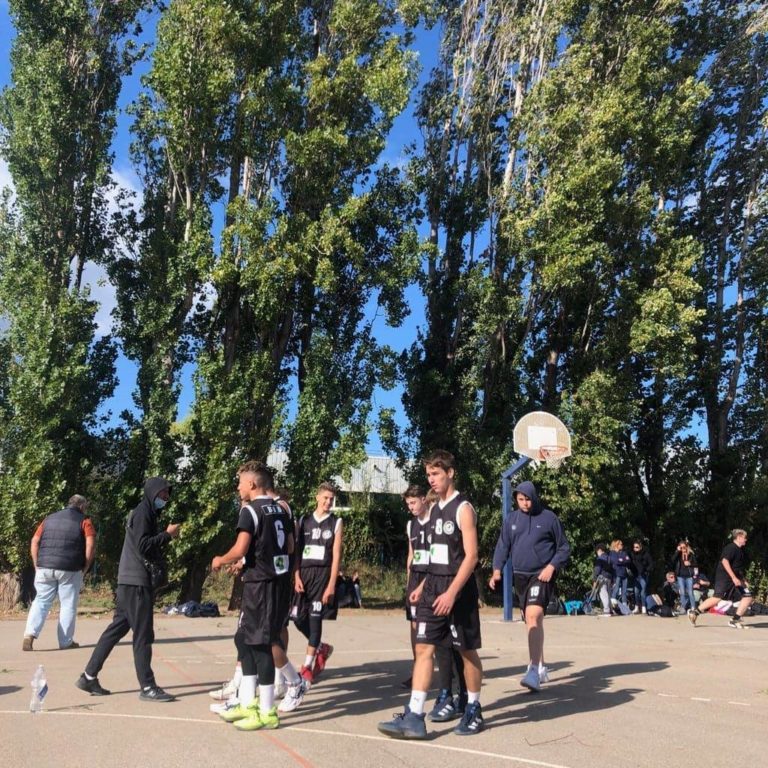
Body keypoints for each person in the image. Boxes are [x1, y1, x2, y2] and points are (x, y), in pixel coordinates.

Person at [379, 450, 484, 739]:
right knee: (424, 648)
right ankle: (414, 715)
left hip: (457, 591)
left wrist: (451, 592)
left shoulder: (463, 509)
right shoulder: (434, 510)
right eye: (428, 474)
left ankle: (473, 708)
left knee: (466, 651)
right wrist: (422, 586)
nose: (431, 479)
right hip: (432, 588)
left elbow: (472, 556)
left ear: (450, 473)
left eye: (436, 473)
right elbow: (435, 557)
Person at [210, 461, 305, 730]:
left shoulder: (250, 511)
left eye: (240, 482)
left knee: (261, 645)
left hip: (261, 585)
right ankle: (246, 702)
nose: (238, 487)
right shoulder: (281, 509)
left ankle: (266, 711)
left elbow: (241, 548)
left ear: (252, 484)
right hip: (276, 583)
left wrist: (221, 559)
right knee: (246, 640)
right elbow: (288, 546)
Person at [76, 478, 180, 701]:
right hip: (136, 582)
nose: (165, 498)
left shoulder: (145, 513)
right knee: (143, 634)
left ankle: (88, 676)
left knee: (116, 630)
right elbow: (143, 545)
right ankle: (147, 686)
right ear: (152, 493)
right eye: (162, 494)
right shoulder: (143, 513)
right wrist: (167, 535)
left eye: (167, 494)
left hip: (128, 581)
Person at [490, 481, 570, 690]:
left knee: (533, 616)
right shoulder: (511, 520)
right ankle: (541, 666)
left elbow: (564, 547)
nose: (525, 503)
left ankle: (533, 671)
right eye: (521, 499)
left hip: (541, 575)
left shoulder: (549, 518)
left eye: (528, 499)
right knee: (531, 621)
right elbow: (503, 546)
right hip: (520, 576)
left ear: (534, 498)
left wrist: (552, 567)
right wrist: (497, 570)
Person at [22, 495, 96, 651]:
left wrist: (36, 563)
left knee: (41, 601)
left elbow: (35, 541)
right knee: (68, 604)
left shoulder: (49, 519)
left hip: (44, 566)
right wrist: (86, 566)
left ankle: (29, 635)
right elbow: (90, 545)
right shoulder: (85, 521)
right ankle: (65, 642)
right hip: (70, 568)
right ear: (82, 506)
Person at [291, 482, 343, 685]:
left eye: (331, 499)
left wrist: (331, 585)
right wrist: (296, 575)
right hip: (304, 575)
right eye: (325, 498)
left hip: (322, 576)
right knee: (297, 618)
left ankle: (307, 667)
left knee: (315, 620)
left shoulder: (336, 522)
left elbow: (336, 556)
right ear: (317, 497)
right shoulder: (303, 520)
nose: (328, 502)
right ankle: (322, 647)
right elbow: (296, 551)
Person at [689, 529, 754, 629]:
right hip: (724, 578)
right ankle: (695, 612)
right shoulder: (731, 548)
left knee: (748, 596)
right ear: (739, 537)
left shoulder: (740, 550)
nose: (746, 539)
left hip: (735, 579)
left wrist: (743, 580)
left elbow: (737, 568)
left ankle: (735, 620)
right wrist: (733, 577)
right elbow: (724, 561)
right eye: (745, 537)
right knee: (717, 597)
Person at [670, 540, 698, 612]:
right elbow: (672, 560)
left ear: (687, 546)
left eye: (684, 547)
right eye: (681, 547)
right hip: (680, 576)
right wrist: (677, 551)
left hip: (689, 576)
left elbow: (696, 564)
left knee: (690, 592)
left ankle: (693, 607)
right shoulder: (678, 555)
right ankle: (683, 608)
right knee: (682, 593)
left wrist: (690, 563)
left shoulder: (691, 555)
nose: (683, 549)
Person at [629, 539, 653, 614]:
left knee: (643, 592)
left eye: (637, 547)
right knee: (636, 592)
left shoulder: (646, 554)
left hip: (643, 575)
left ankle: (644, 607)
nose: (635, 549)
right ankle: (637, 607)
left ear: (640, 547)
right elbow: (630, 564)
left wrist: (646, 570)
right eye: (634, 547)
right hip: (636, 575)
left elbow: (651, 564)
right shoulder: (632, 554)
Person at [591, 543, 614, 616]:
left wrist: (594, 580)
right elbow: (613, 569)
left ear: (600, 550)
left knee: (603, 594)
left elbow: (597, 570)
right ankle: (610, 610)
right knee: (608, 594)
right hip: (609, 578)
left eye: (597, 552)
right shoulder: (609, 558)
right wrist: (613, 580)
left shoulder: (600, 559)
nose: (597, 553)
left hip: (602, 578)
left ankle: (606, 611)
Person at [609, 540, 631, 608]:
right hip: (617, 573)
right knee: (616, 588)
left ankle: (624, 604)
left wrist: (621, 560)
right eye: (620, 544)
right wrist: (623, 560)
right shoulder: (612, 553)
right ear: (616, 545)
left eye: (622, 544)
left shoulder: (624, 552)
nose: (622, 545)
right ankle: (612, 601)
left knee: (624, 590)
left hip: (624, 574)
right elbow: (615, 561)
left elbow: (628, 560)